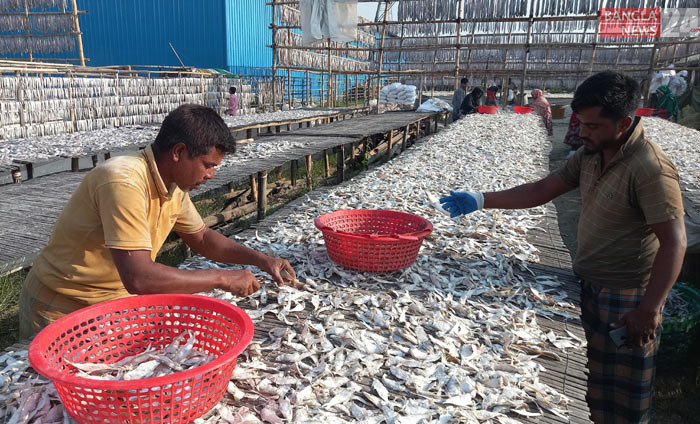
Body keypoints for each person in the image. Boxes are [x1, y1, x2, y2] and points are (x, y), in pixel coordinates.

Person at [440, 71, 686, 423]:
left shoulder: (650, 169)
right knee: (591, 384)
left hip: (627, 294)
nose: (582, 131)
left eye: (592, 125)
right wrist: (481, 199)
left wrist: (649, 309)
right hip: (585, 280)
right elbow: (543, 189)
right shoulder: (591, 152)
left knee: (624, 395)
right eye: (579, 122)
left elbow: (674, 243)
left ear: (624, 123)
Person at [19, 104, 297, 339]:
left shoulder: (172, 185)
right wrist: (221, 278)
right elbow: (138, 277)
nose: (211, 174)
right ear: (178, 152)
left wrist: (261, 260)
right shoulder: (123, 180)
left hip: (113, 306)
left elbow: (201, 237)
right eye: (208, 165)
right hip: (63, 307)